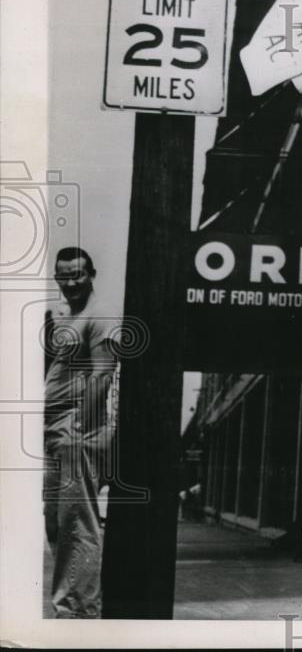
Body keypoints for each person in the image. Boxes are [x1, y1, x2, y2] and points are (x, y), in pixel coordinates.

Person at [43, 247, 120, 618]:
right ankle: (72, 603)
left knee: (77, 526)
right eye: (64, 275)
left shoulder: (99, 314)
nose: (71, 282)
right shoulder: (65, 319)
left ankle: (78, 612)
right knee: (56, 522)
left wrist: (79, 428)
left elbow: (102, 372)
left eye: (78, 274)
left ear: (92, 274)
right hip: (54, 432)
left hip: (76, 431)